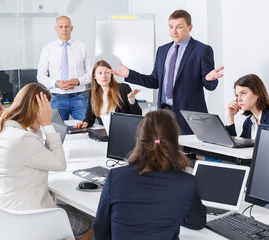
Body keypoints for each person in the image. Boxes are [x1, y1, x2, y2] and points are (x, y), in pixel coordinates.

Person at [0, 83, 93, 240]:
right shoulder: (23, 138)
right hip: (30, 216)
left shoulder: (2, 128)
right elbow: (60, 164)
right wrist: (47, 125)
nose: (49, 113)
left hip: (7, 208)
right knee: (89, 221)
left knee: (67, 208)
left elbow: (34, 148)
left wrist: (36, 125)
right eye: (46, 109)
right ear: (35, 108)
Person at [93, 109, 206, 239]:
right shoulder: (187, 182)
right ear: (175, 142)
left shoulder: (116, 176)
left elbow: (100, 229)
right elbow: (197, 222)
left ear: (138, 139)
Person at [112, 10, 224, 135]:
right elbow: (154, 81)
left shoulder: (202, 50)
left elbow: (210, 85)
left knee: (187, 153)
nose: (174, 31)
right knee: (163, 150)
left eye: (179, 27)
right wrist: (129, 74)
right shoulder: (162, 50)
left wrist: (209, 79)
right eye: (171, 27)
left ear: (190, 27)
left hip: (188, 117)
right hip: (164, 115)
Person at [38, 15, 93, 121]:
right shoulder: (48, 49)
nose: (64, 29)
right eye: (61, 26)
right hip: (56, 98)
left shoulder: (82, 47)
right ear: (56, 29)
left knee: (85, 129)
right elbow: (40, 75)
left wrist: (78, 81)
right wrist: (56, 83)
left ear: (71, 28)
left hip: (79, 97)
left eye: (67, 26)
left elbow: (91, 72)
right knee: (57, 133)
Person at [74, 60, 142, 129]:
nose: (103, 76)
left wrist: (132, 100)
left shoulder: (123, 88)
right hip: (104, 131)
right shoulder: (93, 92)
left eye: (107, 72)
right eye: (100, 73)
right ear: (94, 76)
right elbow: (90, 116)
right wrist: (85, 123)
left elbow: (138, 116)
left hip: (124, 130)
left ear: (111, 74)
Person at [226, 74, 269, 139]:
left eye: (243, 93)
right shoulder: (248, 122)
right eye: (237, 95)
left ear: (257, 93)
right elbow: (235, 147)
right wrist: (230, 116)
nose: (239, 99)